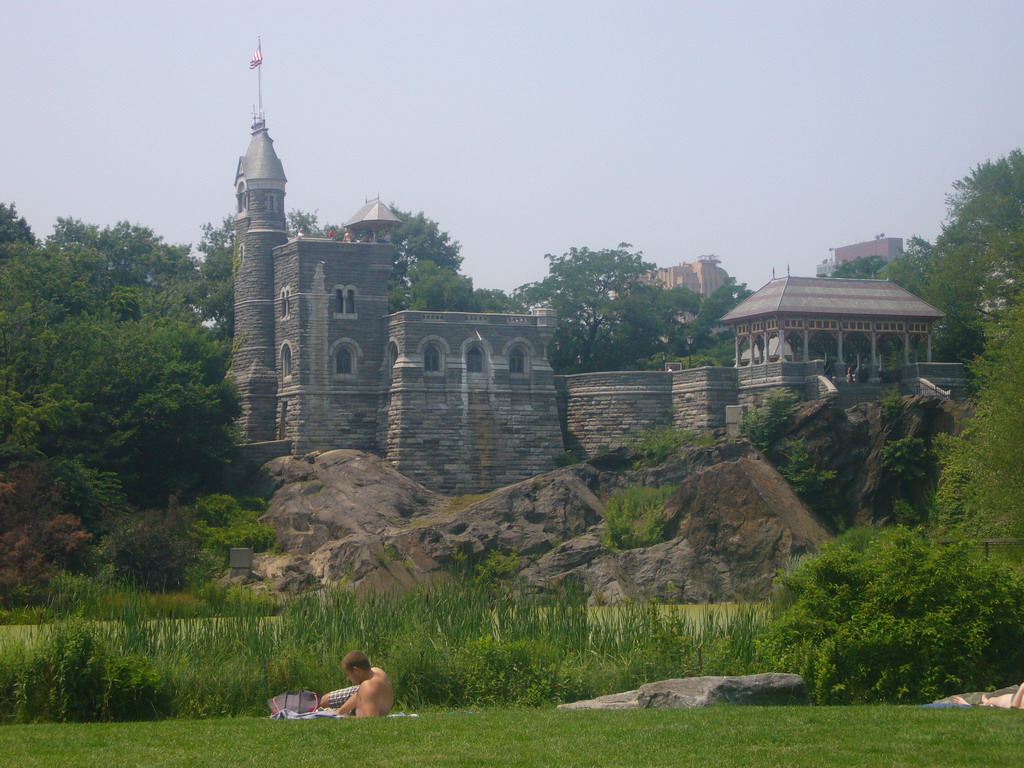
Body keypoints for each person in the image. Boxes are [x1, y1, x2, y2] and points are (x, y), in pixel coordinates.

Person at [319, 650, 394, 717]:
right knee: (324, 701)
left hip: (366, 704)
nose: (347, 678)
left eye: (348, 674)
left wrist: (344, 717)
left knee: (323, 705)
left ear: (356, 670)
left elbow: (371, 719)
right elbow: (359, 694)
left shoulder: (367, 687)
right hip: (371, 699)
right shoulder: (377, 671)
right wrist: (340, 711)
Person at [952, 683, 1024, 709]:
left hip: (997, 706)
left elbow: (1014, 709)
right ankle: (986, 702)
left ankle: (967, 705)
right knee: (988, 702)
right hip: (995, 702)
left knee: (987, 706)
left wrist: (1021, 687)